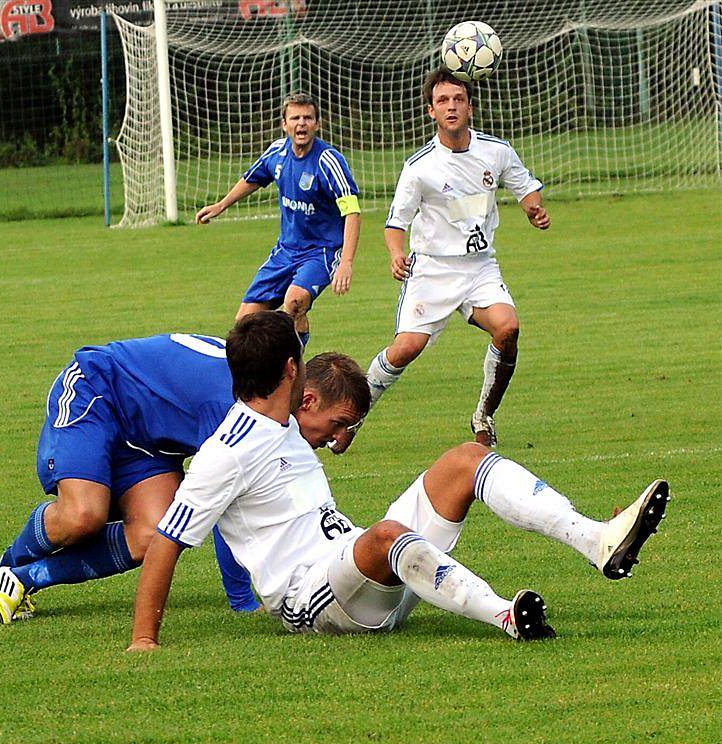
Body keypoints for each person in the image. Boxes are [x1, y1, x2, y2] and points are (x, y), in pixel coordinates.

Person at [126, 311, 669, 651]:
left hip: (370, 576)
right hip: (313, 604)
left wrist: (342, 424)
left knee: (463, 459)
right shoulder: (226, 451)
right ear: (292, 371)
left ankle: (596, 539)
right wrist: (144, 641)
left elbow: (333, 402)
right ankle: (504, 614)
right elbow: (166, 542)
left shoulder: (290, 424)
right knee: (385, 534)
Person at [0, 324, 370, 624]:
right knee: (83, 515)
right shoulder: (238, 407)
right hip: (97, 391)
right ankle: (5, 565)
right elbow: (225, 502)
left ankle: (21, 579)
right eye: (338, 425)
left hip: (149, 442)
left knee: (152, 534)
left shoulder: (264, 397)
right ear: (307, 398)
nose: (338, 440)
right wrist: (242, 602)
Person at [353, 68, 550, 452]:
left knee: (507, 328)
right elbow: (396, 223)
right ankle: (354, 415)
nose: (451, 106)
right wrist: (396, 255)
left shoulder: (496, 151)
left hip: (479, 268)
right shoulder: (420, 167)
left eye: (458, 99)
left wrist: (534, 210)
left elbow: (526, 187)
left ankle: (483, 417)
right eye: (443, 101)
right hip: (432, 270)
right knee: (405, 348)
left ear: (470, 107)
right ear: (431, 111)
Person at [195, 93, 361, 348]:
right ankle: (268, 372)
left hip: (321, 251)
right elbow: (253, 178)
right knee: (245, 323)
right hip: (286, 250)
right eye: (295, 118)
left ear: (318, 124)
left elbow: (352, 211)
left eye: (308, 118)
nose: (301, 124)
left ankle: (292, 368)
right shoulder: (277, 151)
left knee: (294, 303)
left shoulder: (329, 161)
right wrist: (221, 205)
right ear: (284, 124)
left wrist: (346, 262)